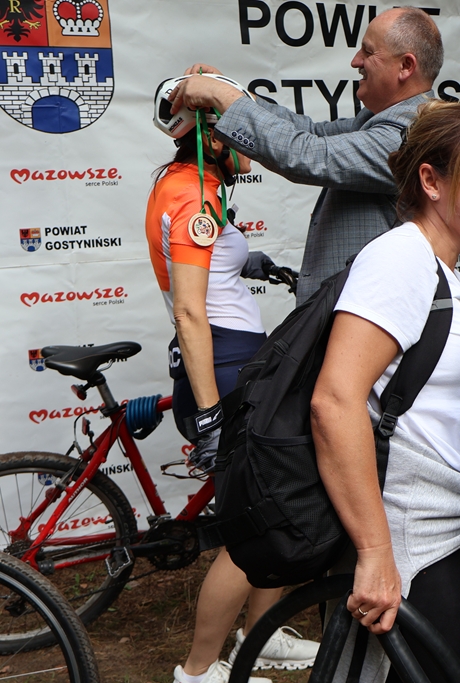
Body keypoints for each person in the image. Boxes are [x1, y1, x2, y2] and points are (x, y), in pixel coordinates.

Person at [309, 101, 460, 682]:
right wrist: (375, 553)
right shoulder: (399, 259)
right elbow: (335, 401)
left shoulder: (444, 272)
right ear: (431, 180)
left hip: (446, 538)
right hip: (409, 545)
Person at [146, 96, 319, 683]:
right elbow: (190, 311)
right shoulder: (194, 194)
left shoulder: (188, 184)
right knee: (256, 522)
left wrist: (246, 260)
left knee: (276, 506)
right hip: (224, 371)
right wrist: (211, 415)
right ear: (213, 139)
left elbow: (198, 266)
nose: (254, 143)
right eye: (241, 132)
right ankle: (198, 671)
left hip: (235, 363)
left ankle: (261, 637)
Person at [169, 6, 443, 304]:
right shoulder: (381, 119)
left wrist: (223, 97)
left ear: (406, 66)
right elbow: (312, 132)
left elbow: (308, 154)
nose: (356, 61)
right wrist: (234, 93)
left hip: (371, 314)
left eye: (368, 51)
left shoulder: (412, 134)